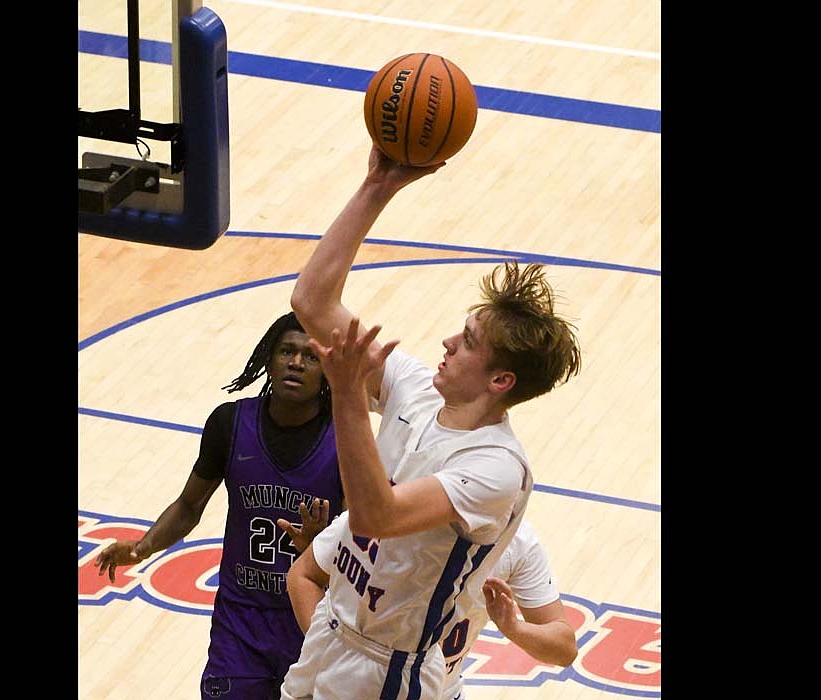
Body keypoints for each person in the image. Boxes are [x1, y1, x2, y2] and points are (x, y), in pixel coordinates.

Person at [280, 145, 582, 700]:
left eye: (467, 343)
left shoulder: (494, 468)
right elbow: (312, 300)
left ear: (500, 382)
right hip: (331, 636)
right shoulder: (415, 388)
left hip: (390, 671)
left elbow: (375, 516)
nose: (447, 342)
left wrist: (348, 391)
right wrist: (378, 187)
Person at [93, 311, 345, 700]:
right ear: (268, 358)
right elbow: (190, 505)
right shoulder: (229, 424)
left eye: (311, 356)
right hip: (239, 622)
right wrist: (144, 546)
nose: (296, 362)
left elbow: (366, 546)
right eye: (286, 351)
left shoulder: (346, 442)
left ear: (326, 370)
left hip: (310, 619)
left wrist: (324, 546)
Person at [286, 513, 578, 700]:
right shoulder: (390, 514)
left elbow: (564, 649)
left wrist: (515, 628)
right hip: (353, 684)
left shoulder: (519, 544)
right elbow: (304, 575)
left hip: (439, 690)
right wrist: (334, 649)